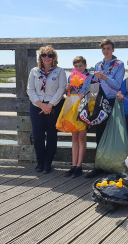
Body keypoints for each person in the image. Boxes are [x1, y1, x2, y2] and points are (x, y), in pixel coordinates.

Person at [85, 38, 125, 178]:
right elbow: (94, 86)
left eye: (108, 48)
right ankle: (98, 166)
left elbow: (118, 85)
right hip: (99, 102)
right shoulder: (98, 65)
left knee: (112, 134)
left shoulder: (119, 64)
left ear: (113, 49)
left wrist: (105, 77)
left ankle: (111, 167)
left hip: (113, 102)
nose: (106, 51)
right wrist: (91, 107)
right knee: (99, 134)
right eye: (104, 49)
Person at [27, 45, 67, 174]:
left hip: (53, 106)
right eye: (44, 55)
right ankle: (40, 162)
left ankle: (48, 164)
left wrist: (49, 105)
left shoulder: (60, 71)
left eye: (50, 55)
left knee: (51, 135)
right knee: (38, 136)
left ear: (54, 57)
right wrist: (41, 105)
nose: (47, 57)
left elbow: (61, 90)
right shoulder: (34, 71)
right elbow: (30, 89)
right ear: (40, 57)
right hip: (37, 106)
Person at [64, 56, 92, 178]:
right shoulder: (71, 77)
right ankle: (73, 165)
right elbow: (67, 94)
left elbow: (94, 93)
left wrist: (85, 94)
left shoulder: (90, 77)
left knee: (81, 138)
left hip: (84, 107)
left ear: (85, 65)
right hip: (72, 106)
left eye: (80, 66)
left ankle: (79, 166)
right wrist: (67, 89)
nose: (78, 68)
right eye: (76, 66)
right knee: (74, 138)